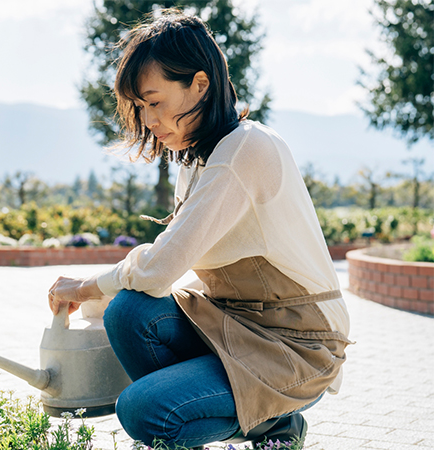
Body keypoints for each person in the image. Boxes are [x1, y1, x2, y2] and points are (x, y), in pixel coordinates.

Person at [47, 9, 351, 450]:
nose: (148, 120)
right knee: (127, 312)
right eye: (140, 106)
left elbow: (160, 268)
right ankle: (255, 422)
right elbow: (169, 270)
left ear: (200, 85)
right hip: (235, 323)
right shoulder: (194, 160)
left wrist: (86, 286)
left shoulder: (245, 149)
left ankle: (270, 422)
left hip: (298, 342)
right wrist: (101, 300)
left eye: (155, 101)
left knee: (142, 410)